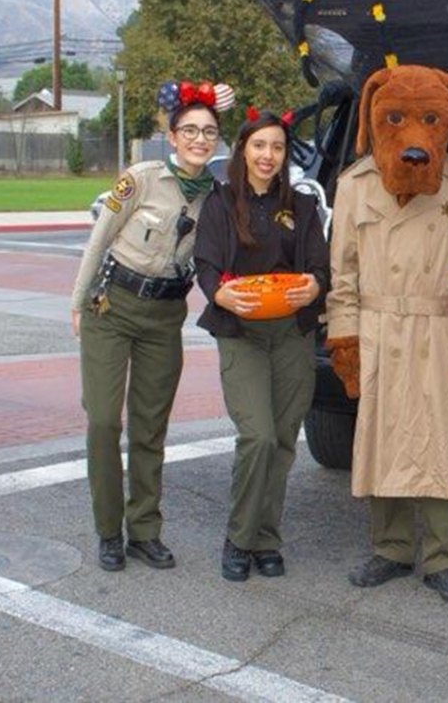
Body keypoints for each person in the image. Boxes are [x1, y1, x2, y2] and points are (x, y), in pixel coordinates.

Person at [326, 65, 448, 604]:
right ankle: (390, 548)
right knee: (382, 438)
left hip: (442, 331)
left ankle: (444, 557)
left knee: (445, 443)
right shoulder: (354, 185)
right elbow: (342, 275)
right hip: (377, 328)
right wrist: (346, 340)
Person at [71, 79, 233, 572]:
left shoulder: (218, 198)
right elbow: (100, 239)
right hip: (111, 307)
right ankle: (108, 531)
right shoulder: (140, 178)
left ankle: (144, 531)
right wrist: (78, 301)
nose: (199, 140)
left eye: (209, 132)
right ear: (172, 133)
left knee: (150, 427)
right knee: (103, 421)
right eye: (190, 130)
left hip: (164, 315)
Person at [193, 107, 329, 582]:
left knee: (284, 441)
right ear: (243, 149)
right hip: (242, 332)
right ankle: (239, 537)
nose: (267, 155)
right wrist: (219, 292)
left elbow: (321, 268)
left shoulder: (304, 207)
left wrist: (314, 286)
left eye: (276, 147)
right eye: (259, 145)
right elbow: (205, 264)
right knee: (258, 436)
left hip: (292, 332)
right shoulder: (220, 203)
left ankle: (266, 539)